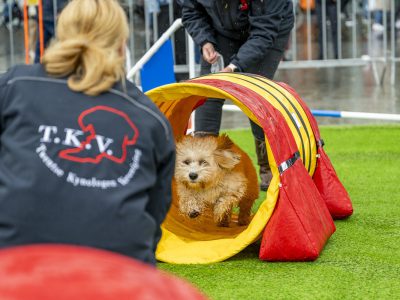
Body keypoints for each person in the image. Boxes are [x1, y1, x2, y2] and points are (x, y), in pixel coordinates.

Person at [0, 0, 175, 265]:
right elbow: (155, 214)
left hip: (19, 261)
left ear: (61, 34)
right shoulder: (152, 118)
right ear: (120, 44)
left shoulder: (15, 84)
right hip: (122, 272)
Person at [180, 0, 294, 191]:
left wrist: (234, 67)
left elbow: (264, 33)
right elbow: (191, 10)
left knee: (255, 93)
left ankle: (268, 166)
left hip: (269, 30)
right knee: (208, 93)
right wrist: (205, 40)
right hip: (223, 30)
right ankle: (202, 169)